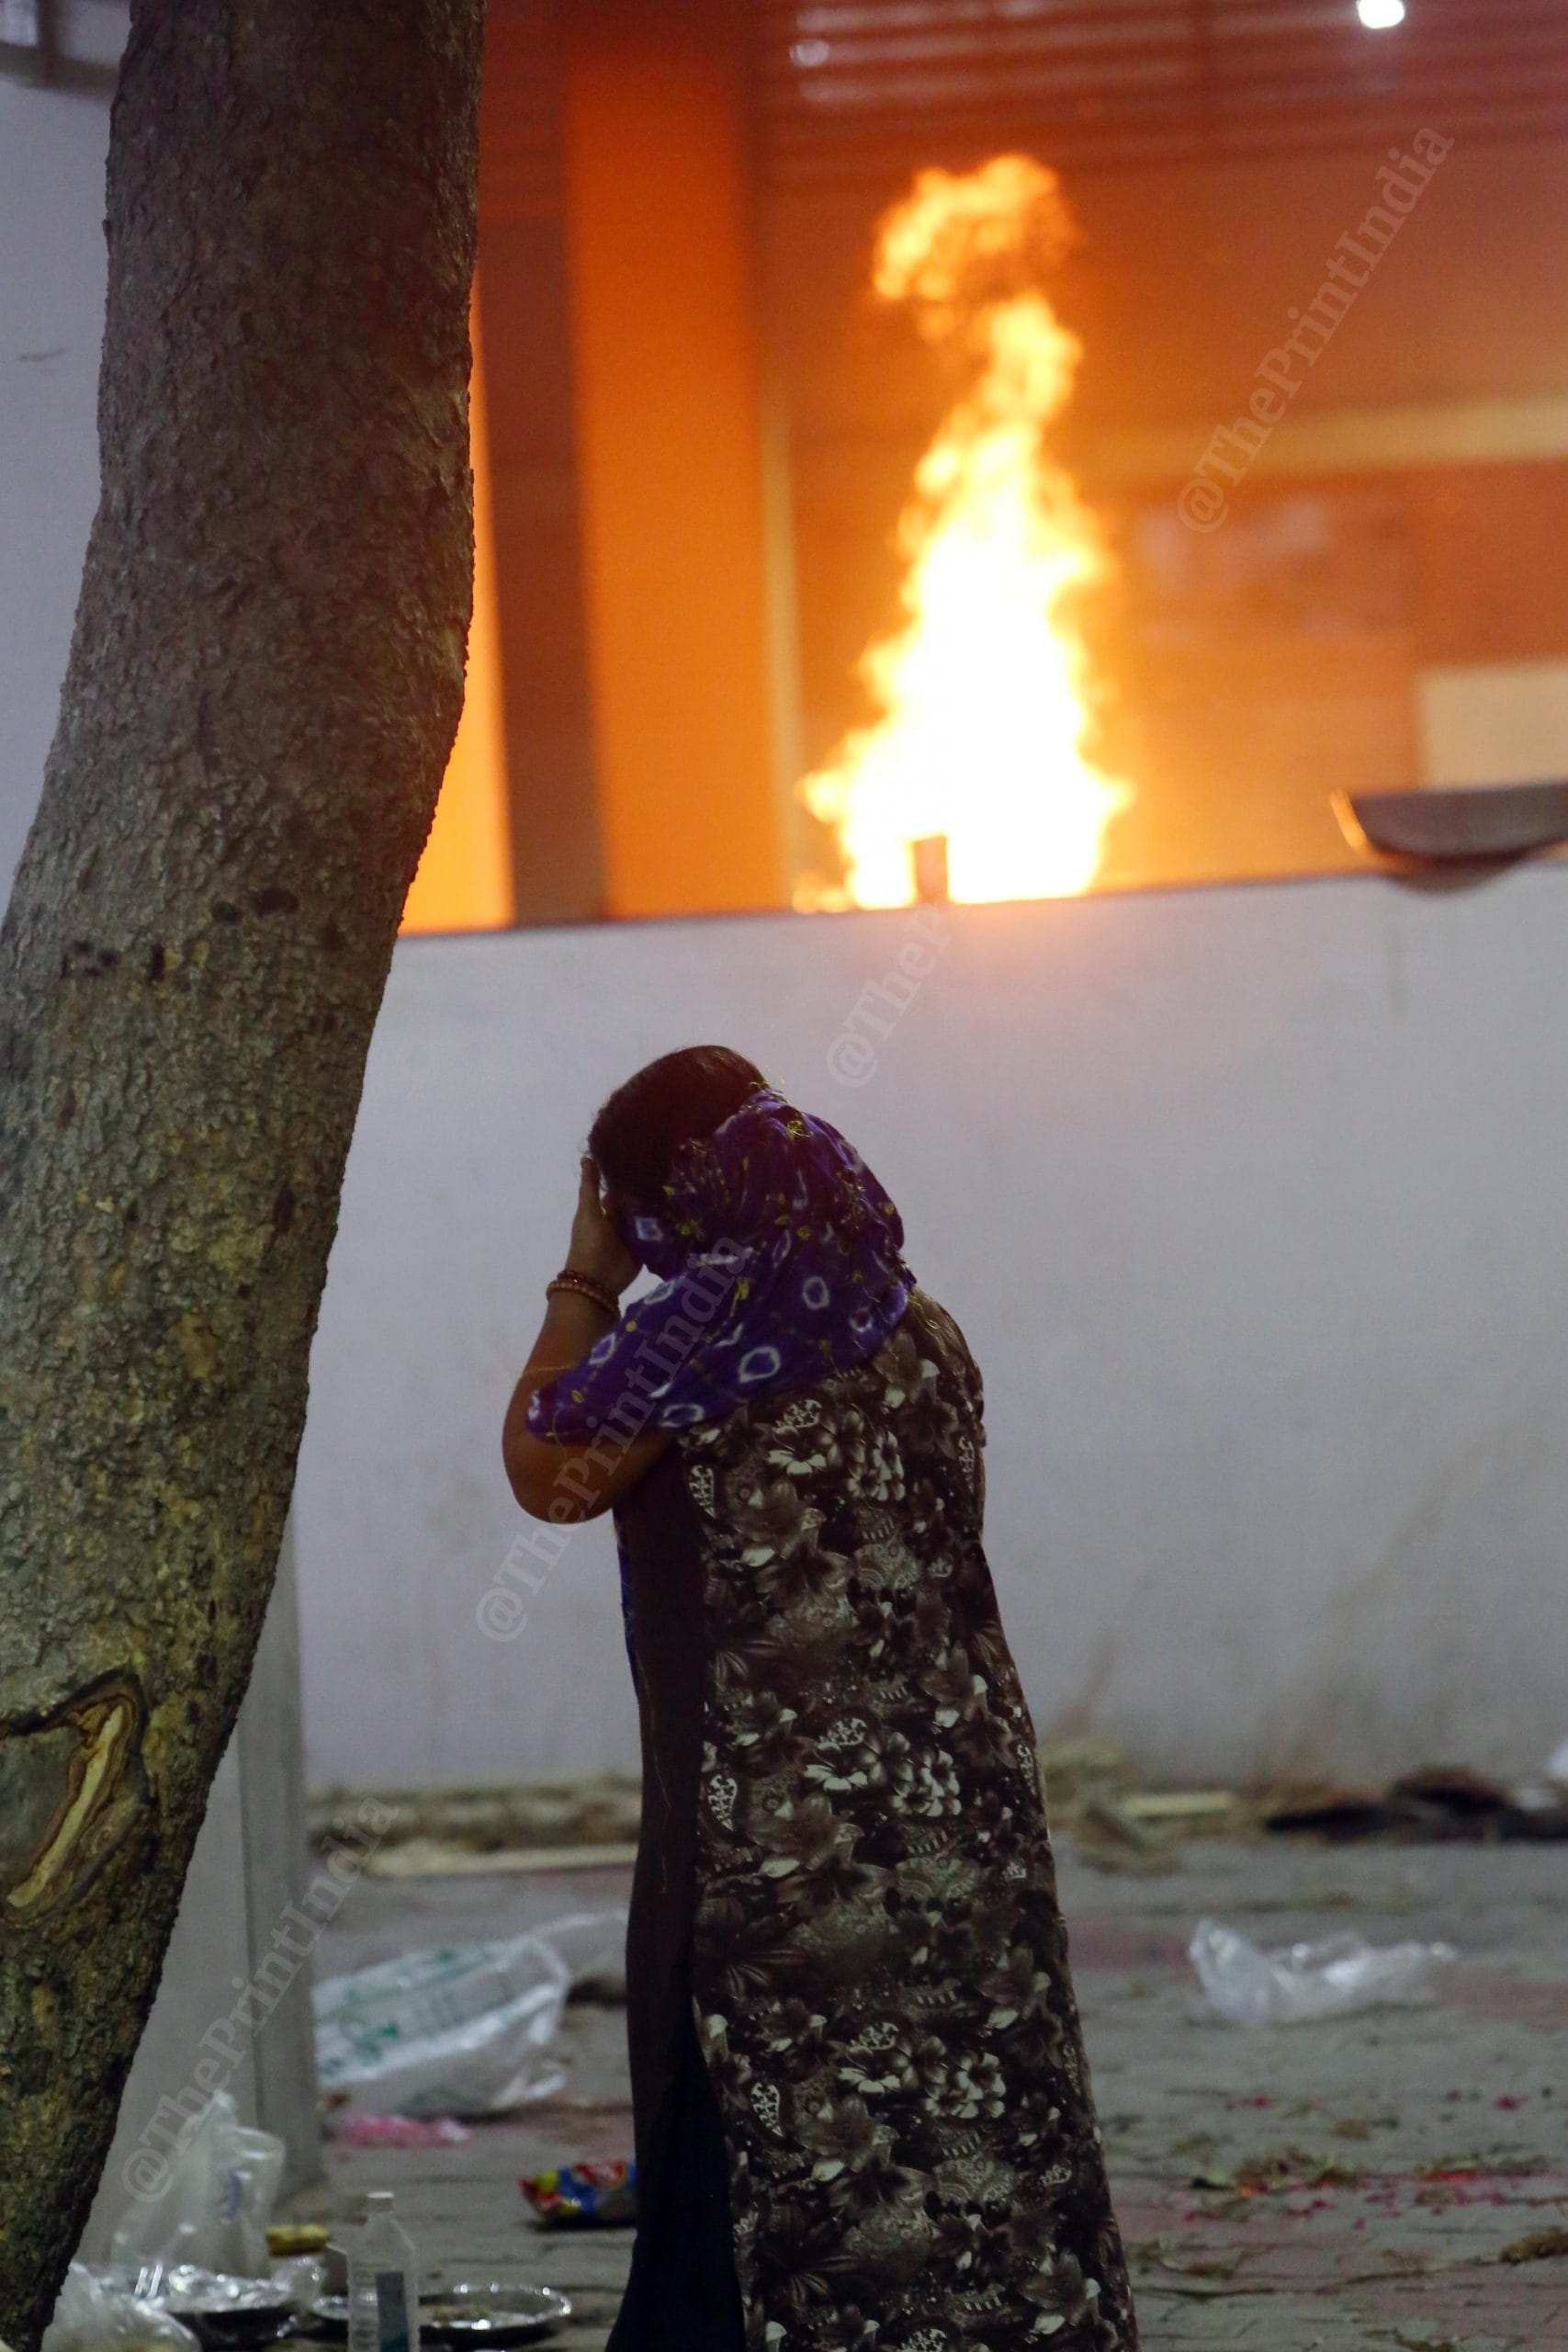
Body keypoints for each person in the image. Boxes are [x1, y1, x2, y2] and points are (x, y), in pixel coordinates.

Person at [503, 1046, 1138, 2351]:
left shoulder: (710, 1329)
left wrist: (584, 1278)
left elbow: (544, 1469)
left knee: (769, 2120)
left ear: (661, 1196)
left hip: (779, 1831)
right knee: (975, 2095)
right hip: (964, 1805)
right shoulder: (920, 1322)